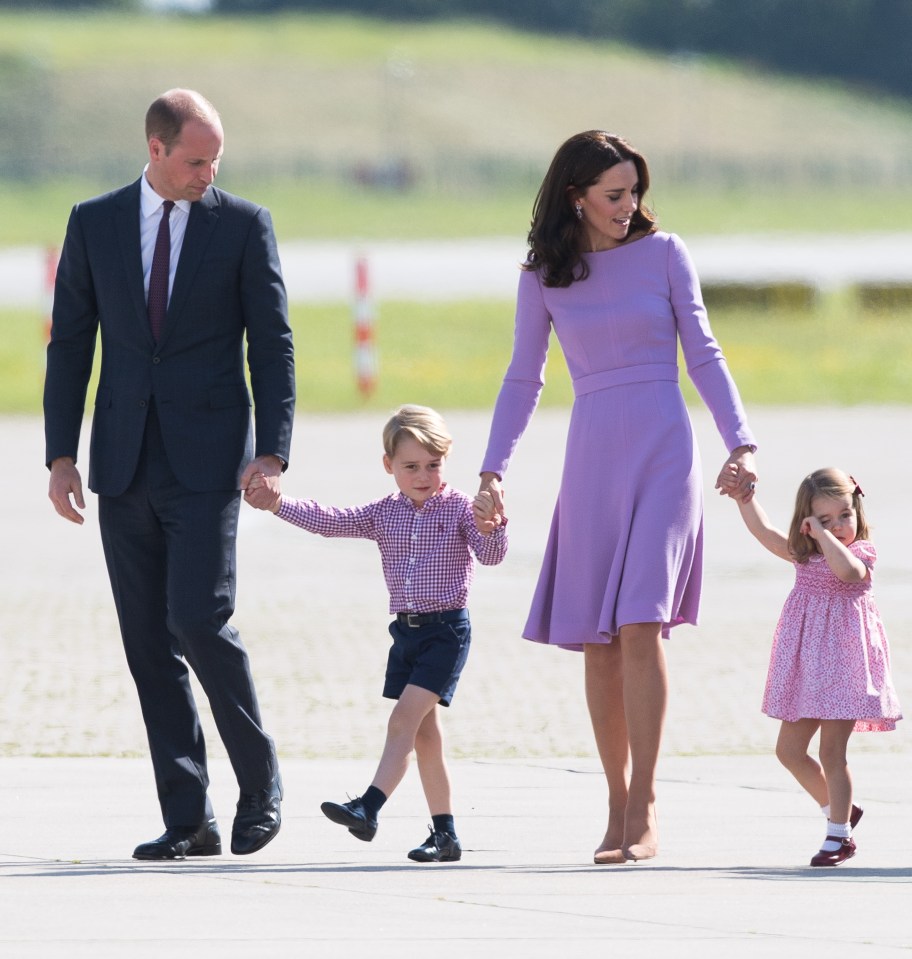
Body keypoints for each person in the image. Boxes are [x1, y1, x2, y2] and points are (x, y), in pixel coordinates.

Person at [477, 130, 758, 864]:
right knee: (598, 643)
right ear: (576, 196)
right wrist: (492, 470)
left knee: (641, 620)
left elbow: (703, 350)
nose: (629, 206)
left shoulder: (667, 255)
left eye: (635, 191)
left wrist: (741, 440)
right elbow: (522, 377)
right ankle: (613, 797)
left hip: (665, 449)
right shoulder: (544, 272)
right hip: (593, 453)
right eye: (613, 194)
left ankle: (646, 804)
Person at [44, 89, 295, 860]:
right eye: (195, 159)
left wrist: (273, 452)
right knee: (148, 642)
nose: (208, 171)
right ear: (155, 148)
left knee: (198, 618)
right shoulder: (94, 222)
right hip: (122, 460)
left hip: (209, 458)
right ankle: (189, 816)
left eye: (216, 158)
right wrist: (60, 455)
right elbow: (71, 347)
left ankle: (261, 786)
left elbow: (273, 343)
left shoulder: (244, 225)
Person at [245, 404, 508, 862]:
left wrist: (493, 525)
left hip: (447, 632)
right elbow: (332, 521)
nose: (423, 475)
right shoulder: (385, 513)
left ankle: (368, 807)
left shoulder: (462, 509)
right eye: (411, 467)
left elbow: (491, 555)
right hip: (405, 634)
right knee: (425, 737)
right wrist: (278, 504)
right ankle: (445, 835)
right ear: (389, 466)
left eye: (433, 465)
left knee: (402, 721)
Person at [724, 466, 901, 866]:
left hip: (845, 666)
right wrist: (744, 499)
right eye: (825, 520)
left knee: (832, 753)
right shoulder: (805, 554)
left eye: (844, 516)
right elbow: (765, 532)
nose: (838, 526)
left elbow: (847, 573)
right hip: (807, 668)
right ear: (806, 521)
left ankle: (839, 838)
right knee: (788, 750)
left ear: (857, 512)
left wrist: (821, 535)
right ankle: (840, 808)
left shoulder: (860, 552)